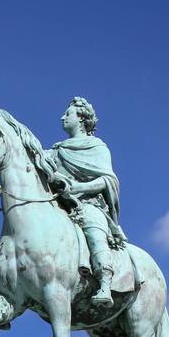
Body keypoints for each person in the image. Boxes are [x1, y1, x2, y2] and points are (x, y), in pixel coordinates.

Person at [37, 97, 127, 308]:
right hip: (59, 204)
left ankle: (105, 283)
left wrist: (79, 188)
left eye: (67, 114)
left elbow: (108, 180)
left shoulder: (97, 147)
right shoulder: (57, 150)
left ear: (81, 119)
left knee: (94, 231)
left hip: (88, 204)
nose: (62, 117)